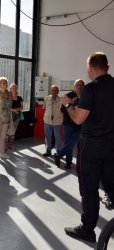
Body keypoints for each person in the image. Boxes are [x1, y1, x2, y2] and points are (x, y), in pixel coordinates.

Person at [63, 52, 114, 243]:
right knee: (111, 183)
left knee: (89, 187)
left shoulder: (90, 89)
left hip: (91, 146)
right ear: (107, 68)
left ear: (90, 68)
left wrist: (68, 105)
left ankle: (87, 229)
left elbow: (78, 119)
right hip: (111, 145)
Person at [54, 79, 85, 169]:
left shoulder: (86, 96)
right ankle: (68, 163)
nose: (79, 86)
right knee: (69, 143)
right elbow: (62, 109)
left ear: (84, 86)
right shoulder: (68, 96)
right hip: (69, 124)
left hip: (80, 124)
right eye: (77, 85)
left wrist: (73, 104)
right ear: (74, 86)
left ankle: (58, 155)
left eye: (81, 85)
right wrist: (72, 103)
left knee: (72, 143)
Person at [0, 77, 12, 160]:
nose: (4, 84)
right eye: (3, 83)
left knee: (3, 137)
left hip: (6, 118)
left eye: (5, 83)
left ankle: (2, 153)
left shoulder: (9, 94)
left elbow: (11, 105)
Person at [42, 85, 63, 157]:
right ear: (50, 91)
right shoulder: (46, 98)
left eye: (55, 90)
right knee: (47, 137)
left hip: (57, 121)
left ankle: (59, 152)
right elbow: (44, 108)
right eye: (52, 90)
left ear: (58, 91)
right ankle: (48, 151)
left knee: (58, 137)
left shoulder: (61, 100)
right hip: (47, 121)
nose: (54, 92)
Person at [6, 83, 23, 150]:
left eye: (15, 88)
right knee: (7, 131)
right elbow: (6, 107)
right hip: (8, 117)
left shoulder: (19, 97)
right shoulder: (7, 97)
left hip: (17, 117)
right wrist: (13, 110)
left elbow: (22, 107)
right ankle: (5, 145)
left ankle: (11, 144)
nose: (14, 89)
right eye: (13, 88)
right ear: (10, 89)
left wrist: (16, 110)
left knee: (13, 131)